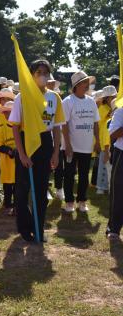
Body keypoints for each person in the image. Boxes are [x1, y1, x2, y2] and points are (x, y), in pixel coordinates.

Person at [10, 59, 64, 242]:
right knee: (22, 191)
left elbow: (56, 127)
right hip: (26, 142)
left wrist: (56, 152)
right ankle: (24, 229)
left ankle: (38, 228)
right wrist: (22, 154)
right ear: (31, 75)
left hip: (45, 143)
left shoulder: (54, 97)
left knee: (41, 191)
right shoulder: (22, 97)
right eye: (39, 72)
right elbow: (15, 127)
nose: (43, 76)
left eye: (46, 72)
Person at [61, 71, 100, 213]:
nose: (87, 85)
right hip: (71, 146)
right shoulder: (68, 101)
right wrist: (68, 144)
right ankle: (69, 202)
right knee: (69, 174)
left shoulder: (91, 102)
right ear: (77, 85)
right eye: (84, 82)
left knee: (84, 175)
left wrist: (97, 141)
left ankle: (82, 201)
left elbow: (96, 122)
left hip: (87, 145)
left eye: (87, 82)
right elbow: (64, 124)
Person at [95, 86, 116, 194]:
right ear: (106, 98)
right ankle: (100, 187)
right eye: (112, 97)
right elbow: (100, 122)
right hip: (104, 140)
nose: (113, 99)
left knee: (111, 165)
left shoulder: (114, 108)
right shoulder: (102, 108)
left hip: (112, 140)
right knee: (103, 164)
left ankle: (109, 186)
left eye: (115, 96)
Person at [106, 104, 123, 239]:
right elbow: (113, 134)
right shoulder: (120, 112)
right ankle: (114, 228)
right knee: (118, 192)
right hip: (121, 154)